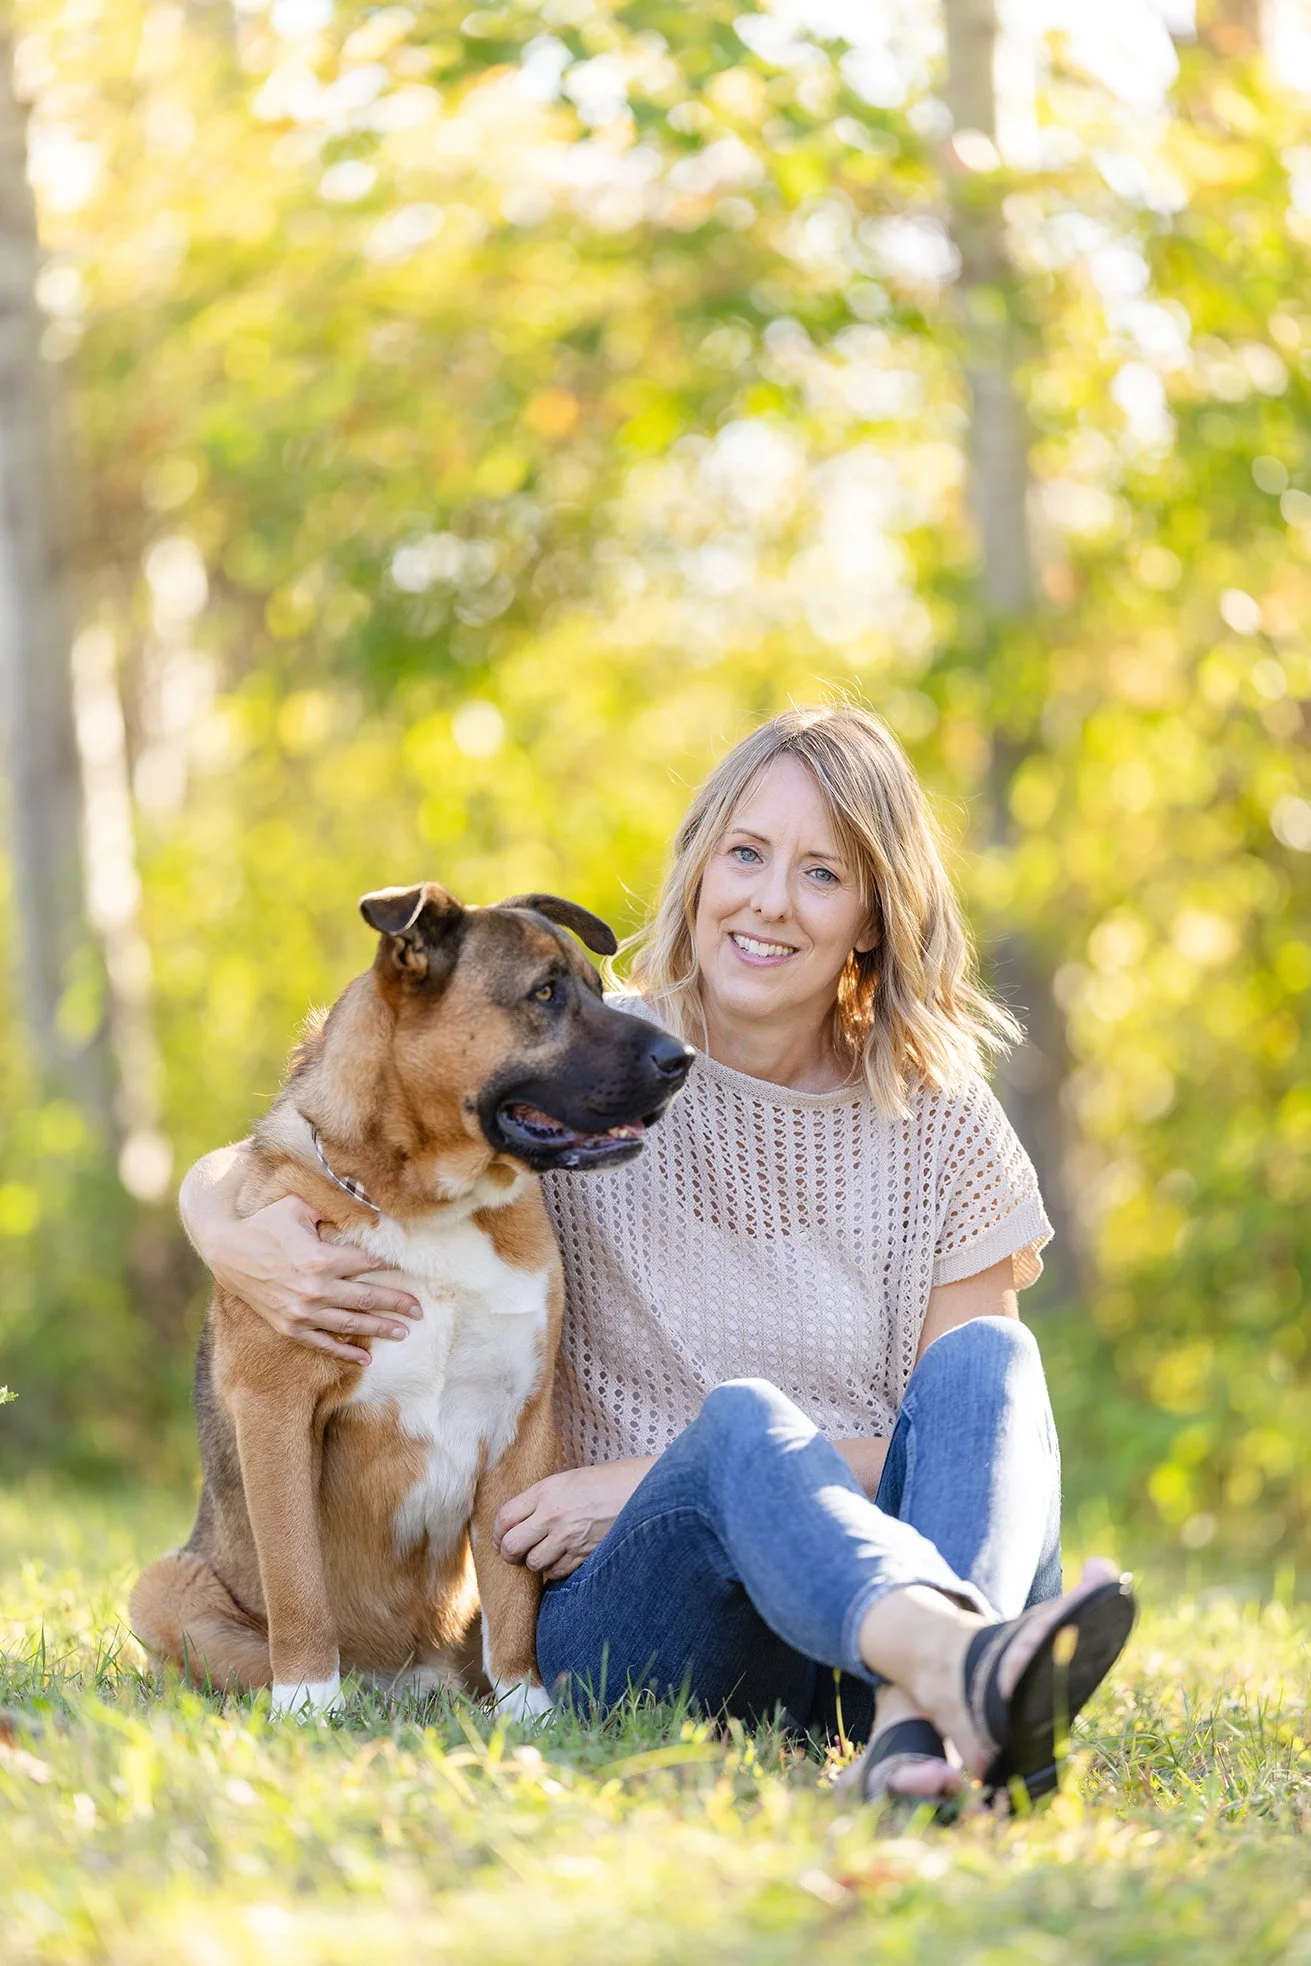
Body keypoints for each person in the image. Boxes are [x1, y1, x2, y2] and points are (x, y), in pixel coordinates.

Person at [179, 706, 1134, 1809]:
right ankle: (969, 1683)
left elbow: (976, 1443)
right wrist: (221, 1220)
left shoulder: (946, 1127)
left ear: (873, 914)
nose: (770, 898)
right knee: (742, 1425)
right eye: (746, 854)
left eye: (823, 873)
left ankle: (920, 1720)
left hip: (855, 1631)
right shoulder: (596, 1067)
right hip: (653, 1619)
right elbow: (344, 1109)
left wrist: (653, 1478)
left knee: (991, 1369)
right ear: (701, 867)